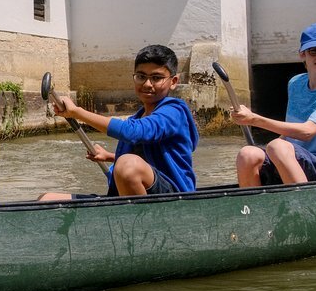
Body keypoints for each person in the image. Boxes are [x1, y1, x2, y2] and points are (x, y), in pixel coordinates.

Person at [39, 44, 198, 200]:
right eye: (141, 76)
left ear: (174, 81)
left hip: (175, 197)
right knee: (47, 199)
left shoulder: (174, 112)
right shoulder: (137, 118)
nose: (147, 84)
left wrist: (77, 112)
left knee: (127, 166)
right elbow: (145, 155)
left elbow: (132, 133)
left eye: (156, 78)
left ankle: (142, 224)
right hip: (127, 194)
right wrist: (108, 156)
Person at [231, 22, 316, 187]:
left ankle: (303, 207)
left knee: (277, 147)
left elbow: (307, 132)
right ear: (303, 54)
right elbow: (289, 133)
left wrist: (253, 119)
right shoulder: (295, 84)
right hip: (293, 158)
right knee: (248, 154)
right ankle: (250, 210)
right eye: (314, 51)